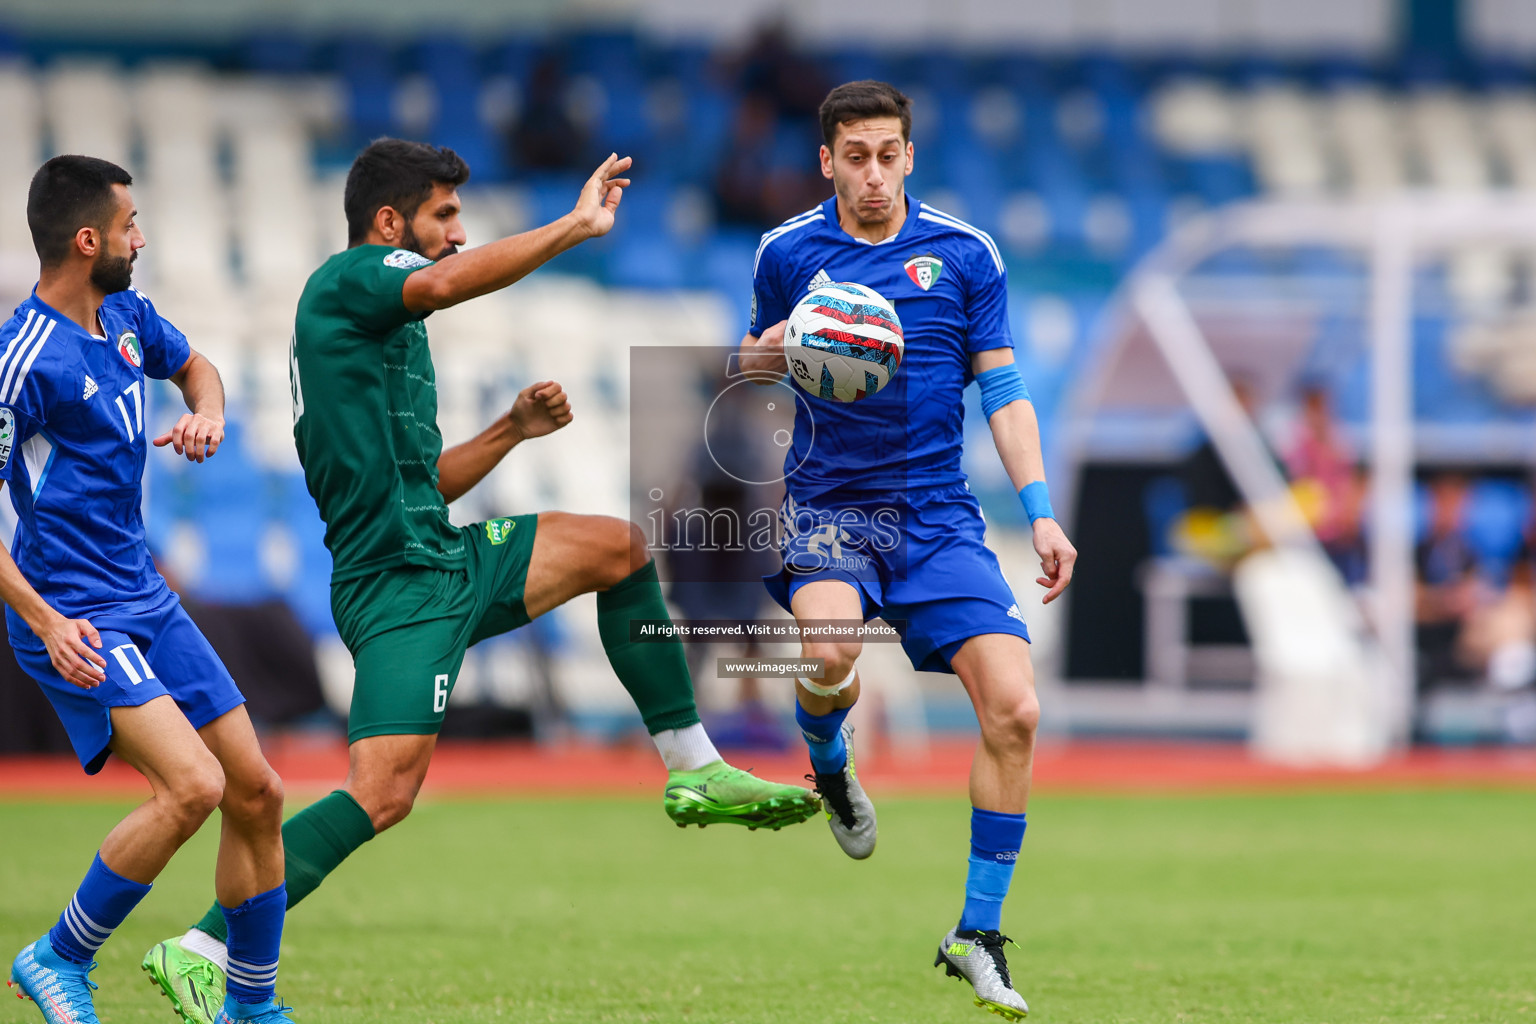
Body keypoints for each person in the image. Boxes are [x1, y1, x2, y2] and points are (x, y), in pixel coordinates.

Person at [145, 139, 818, 1021]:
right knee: (383, 794)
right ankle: (199, 944)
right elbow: (441, 284)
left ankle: (693, 767)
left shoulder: (384, 331)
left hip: (446, 555)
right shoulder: (348, 280)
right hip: (395, 587)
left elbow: (422, 484)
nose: (457, 234)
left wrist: (509, 429)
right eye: (444, 216)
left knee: (618, 548)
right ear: (389, 226)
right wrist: (576, 227)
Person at [739, 81, 1077, 1022]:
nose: (874, 175)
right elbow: (747, 370)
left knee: (1015, 708)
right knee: (832, 653)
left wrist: (1042, 513)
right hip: (827, 509)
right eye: (856, 157)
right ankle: (829, 757)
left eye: (889, 155)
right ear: (826, 161)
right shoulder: (788, 253)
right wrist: (762, 356)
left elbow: (1005, 395)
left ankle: (975, 933)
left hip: (936, 516)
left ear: (910, 156)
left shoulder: (966, 256)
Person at [1, 156, 293, 1024]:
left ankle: (250, 1005)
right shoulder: (22, 359)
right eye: (130, 224)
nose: (143, 236)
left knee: (259, 792)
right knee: (193, 787)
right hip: (74, 613)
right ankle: (59, 955)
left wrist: (207, 410)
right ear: (88, 240)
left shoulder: (128, 314)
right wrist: (46, 621)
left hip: (144, 594)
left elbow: (198, 366)